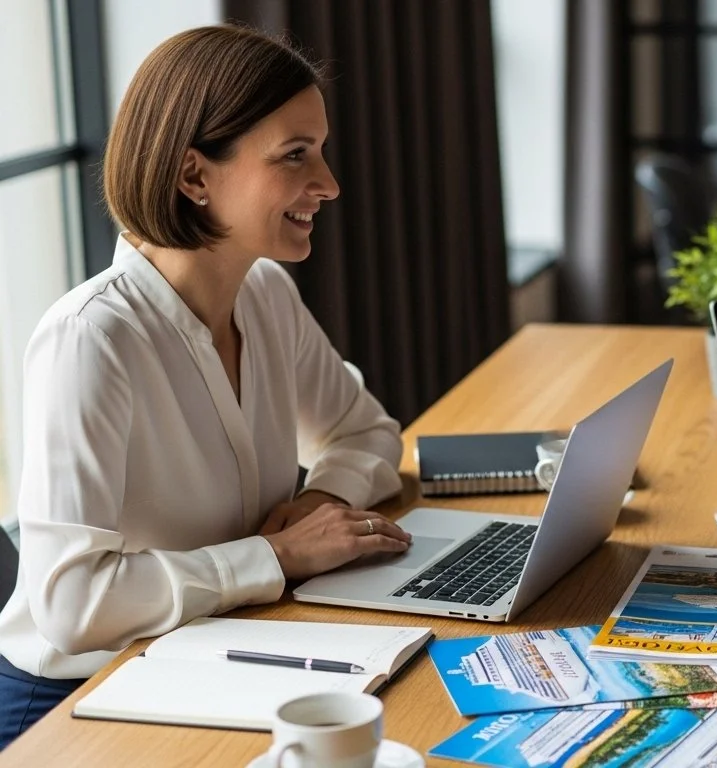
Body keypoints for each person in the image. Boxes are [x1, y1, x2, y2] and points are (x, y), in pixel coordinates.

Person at [0, 26, 413, 748]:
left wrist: (320, 502)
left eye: (318, 150)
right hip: (75, 696)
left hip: (213, 649)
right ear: (195, 177)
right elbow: (71, 602)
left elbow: (366, 431)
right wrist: (278, 558)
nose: (329, 184)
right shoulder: (91, 339)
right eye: (295, 156)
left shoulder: (266, 295)